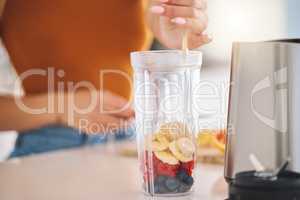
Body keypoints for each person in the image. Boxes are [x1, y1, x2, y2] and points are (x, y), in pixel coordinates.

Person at [0, 0, 210, 158]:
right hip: (47, 149)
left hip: (125, 142)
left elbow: (161, 14)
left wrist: (172, 18)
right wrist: (62, 107)